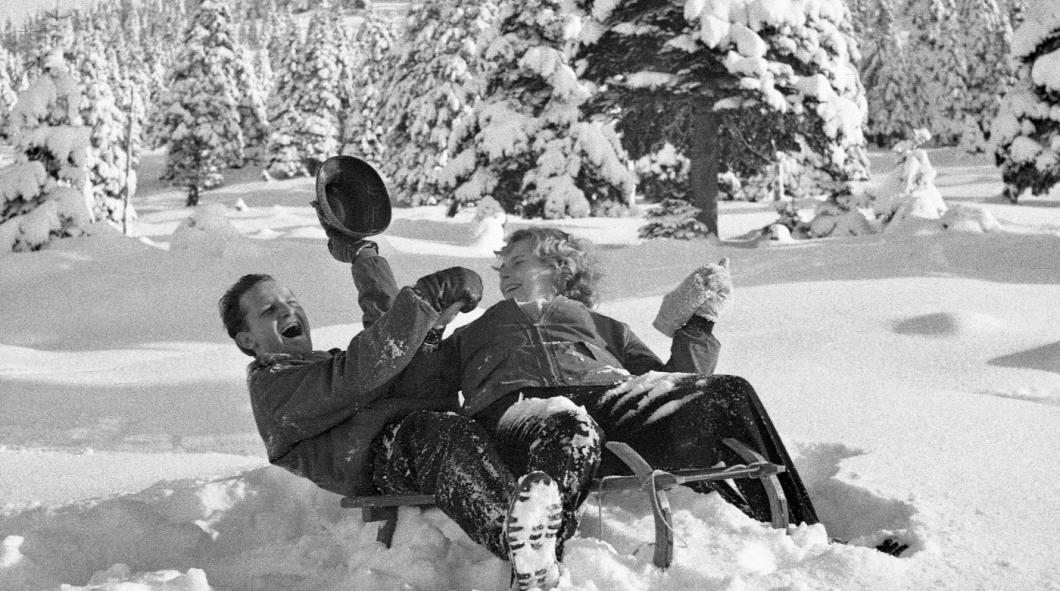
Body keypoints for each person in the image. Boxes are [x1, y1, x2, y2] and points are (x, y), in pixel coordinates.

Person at [220, 157, 576, 590]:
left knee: (546, 421)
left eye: (291, 299)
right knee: (438, 432)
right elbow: (367, 367)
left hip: (417, 438)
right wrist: (422, 304)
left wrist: (374, 267)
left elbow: (389, 348)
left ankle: (545, 548)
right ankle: (512, 535)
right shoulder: (274, 386)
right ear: (247, 340)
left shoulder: (325, 367)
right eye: (269, 309)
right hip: (384, 458)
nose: (288, 309)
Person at [395, 226, 821, 579]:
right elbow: (425, 388)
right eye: (501, 267)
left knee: (729, 392)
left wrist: (698, 324)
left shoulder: (603, 326)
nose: (504, 274)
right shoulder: (478, 330)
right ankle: (538, 547)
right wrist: (433, 331)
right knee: (564, 420)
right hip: (518, 414)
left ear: (560, 268)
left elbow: (665, 383)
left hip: (607, 404)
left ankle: (808, 534)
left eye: (518, 262)